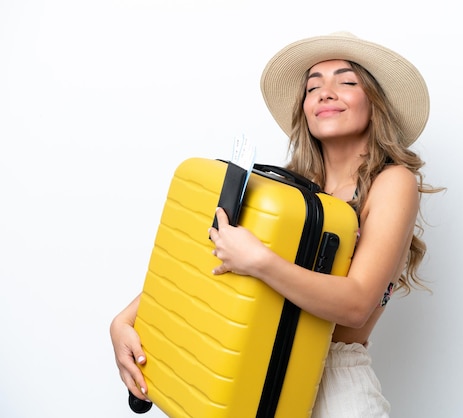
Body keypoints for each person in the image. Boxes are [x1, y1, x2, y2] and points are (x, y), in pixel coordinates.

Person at [111, 31, 439, 417]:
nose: (325, 92)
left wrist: (261, 262)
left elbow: (356, 306)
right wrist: (124, 321)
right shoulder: (286, 193)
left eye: (347, 82)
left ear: (375, 103)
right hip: (258, 373)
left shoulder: (393, 182)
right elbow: (210, 259)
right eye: (312, 86)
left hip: (335, 387)